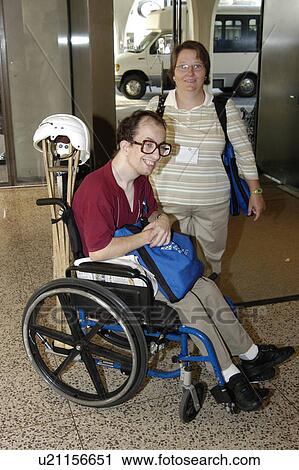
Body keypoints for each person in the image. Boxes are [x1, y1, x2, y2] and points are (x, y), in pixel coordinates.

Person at [73, 110, 294, 413]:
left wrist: (162, 220)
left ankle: (252, 355)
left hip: (139, 264)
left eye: (162, 147)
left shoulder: (139, 181)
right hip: (109, 272)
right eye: (148, 145)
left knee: (204, 287)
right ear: (126, 145)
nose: (156, 155)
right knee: (187, 302)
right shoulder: (97, 189)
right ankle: (229, 375)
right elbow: (98, 252)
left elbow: (152, 213)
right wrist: (147, 237)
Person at [146, 40, 266, 280]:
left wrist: (256, 191)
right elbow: (143, 152)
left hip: (212, 201)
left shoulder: (223, 107)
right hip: (167, 201)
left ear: (206, 72)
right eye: (183, 66)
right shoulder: (157, 107)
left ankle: (210, 306)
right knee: (172, 259)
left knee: (211, 263)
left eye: (197, 66)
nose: (190, 73)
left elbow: (244, 152)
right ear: (173, 73)